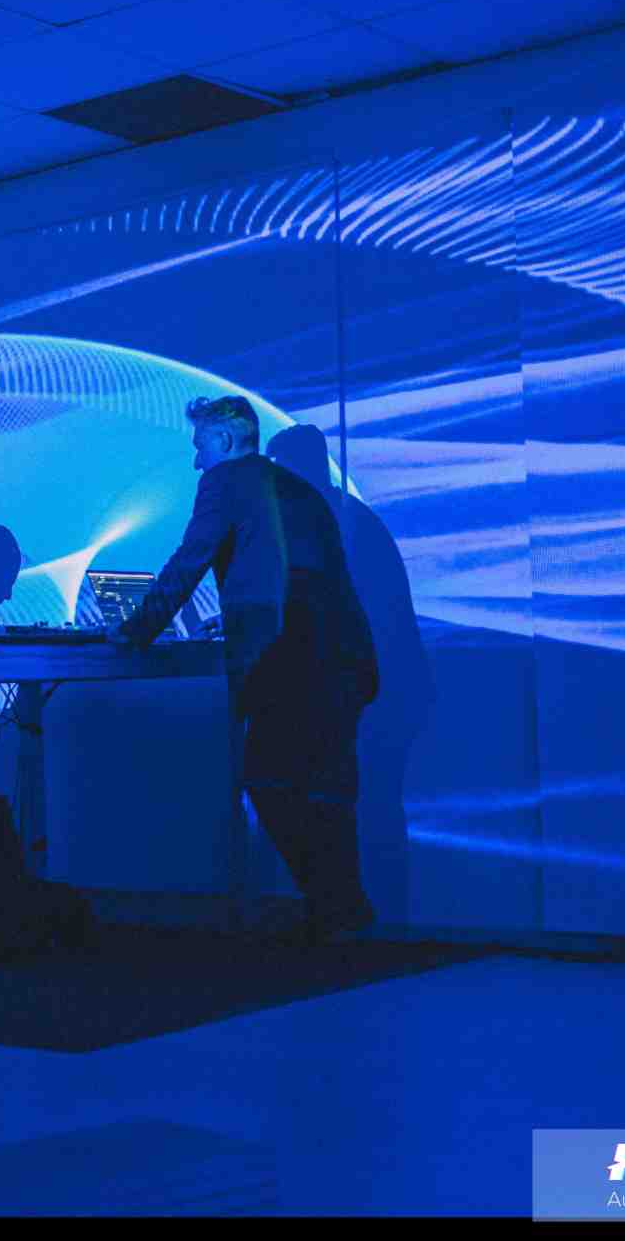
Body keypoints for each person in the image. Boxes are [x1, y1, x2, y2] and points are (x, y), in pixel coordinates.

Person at [113, 397, 380, 944]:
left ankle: (332, 911)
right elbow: (293, 573)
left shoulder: (227, 481)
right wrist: (235, 616)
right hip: (344, 655)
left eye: (200, 447)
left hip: (291, 656)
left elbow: (189, 561)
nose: (197, 462)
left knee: (269, 780)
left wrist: (134, 631)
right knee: (327, 793)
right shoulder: (302, 491)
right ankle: (344, 918)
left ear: (225, 441)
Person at [266, 424, 432, 928]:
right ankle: (380, 921)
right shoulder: (349, 516)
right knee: (374, 805)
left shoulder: (332, 524)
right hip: (389, 687)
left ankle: (360, 918)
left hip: (372, 689)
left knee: (361, 805)